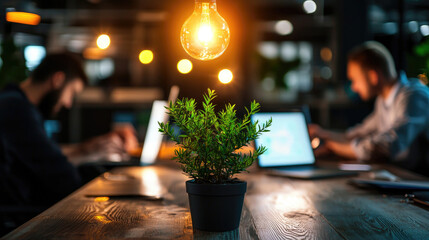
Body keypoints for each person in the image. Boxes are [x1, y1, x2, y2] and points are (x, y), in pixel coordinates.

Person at [0, 52, 138, 208]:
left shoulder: (15, 103)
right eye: (71, 93)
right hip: (18, 221)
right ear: (58, 79)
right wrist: (89, 154)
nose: (68, 104)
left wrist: (90, 150)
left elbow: (47, 155)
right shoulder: (16, 109)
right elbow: (61, 176)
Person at [310, 41, 429, 174]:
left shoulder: (414, 96)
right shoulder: (383, 100)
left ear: (373, 76)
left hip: (421, 184)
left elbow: (385, 146)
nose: (354, 87)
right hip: (402, 179)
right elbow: (360, 132)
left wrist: (333, 146)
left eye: (355, 80)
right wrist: (323, 134)